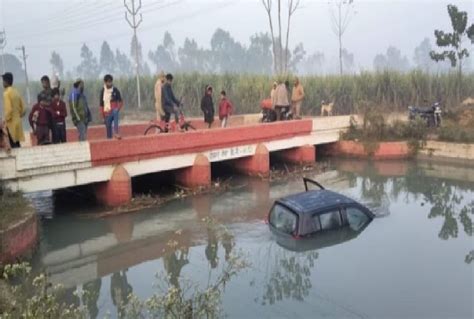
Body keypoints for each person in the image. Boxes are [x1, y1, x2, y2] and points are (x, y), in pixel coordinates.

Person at [2, 72, 26, 148]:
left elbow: (9, 110)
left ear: (6, 81)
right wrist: (18, 116)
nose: (2, 83)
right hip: (18, 123)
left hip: (11, 124)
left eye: (3, 81)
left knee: (12, 145)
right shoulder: (16, 92)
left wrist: (5, 120)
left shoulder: (6, 93)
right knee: (17, 144)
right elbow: (24, 109)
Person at [100, 74, 123, 139]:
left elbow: (121, 101)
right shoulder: (103, 91)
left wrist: (117, 109)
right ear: (105, 82)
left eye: (111, 81)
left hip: (114, 111)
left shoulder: (115, 90)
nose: (110, 83)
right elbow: (101, 105)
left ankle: (116, 132)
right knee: (108, 131)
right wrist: (102, 117)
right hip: (107, 113)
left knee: (115, 112)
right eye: (108, 82)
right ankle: (109, 140)